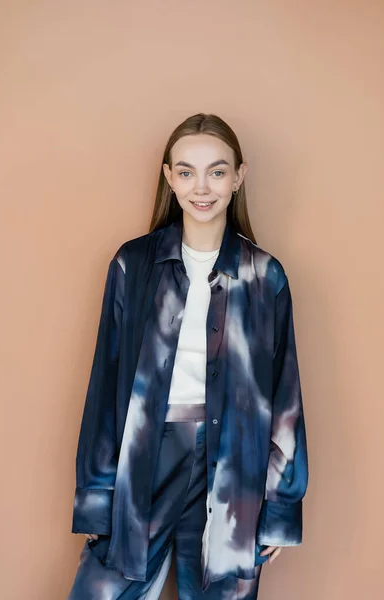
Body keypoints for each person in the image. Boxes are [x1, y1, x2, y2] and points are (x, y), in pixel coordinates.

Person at [67, 113, 309, 600]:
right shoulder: (132, 266)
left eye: (217, 171)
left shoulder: (266, 278)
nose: (202, 187)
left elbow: (286, 399)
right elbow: (104, 387)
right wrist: (97, 500)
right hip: (146, 458)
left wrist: (279, 507)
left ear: (238, 177)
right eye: (186, 171)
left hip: (233, 465)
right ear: (168, 178)